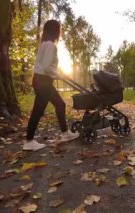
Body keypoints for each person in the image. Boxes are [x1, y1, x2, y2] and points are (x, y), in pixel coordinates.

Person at [24, 20, 79, 151]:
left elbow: (45, 65)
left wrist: (57, 73)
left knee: (60, 104)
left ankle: (65, 133)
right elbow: (47, 67)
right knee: (38, 110)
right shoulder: (50, 46)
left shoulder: (44, 44)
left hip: (41, 80)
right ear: (55, 31)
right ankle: (29, 141)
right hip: (43, 81)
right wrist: (58, 75)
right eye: (59, 30)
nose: (60, 33)